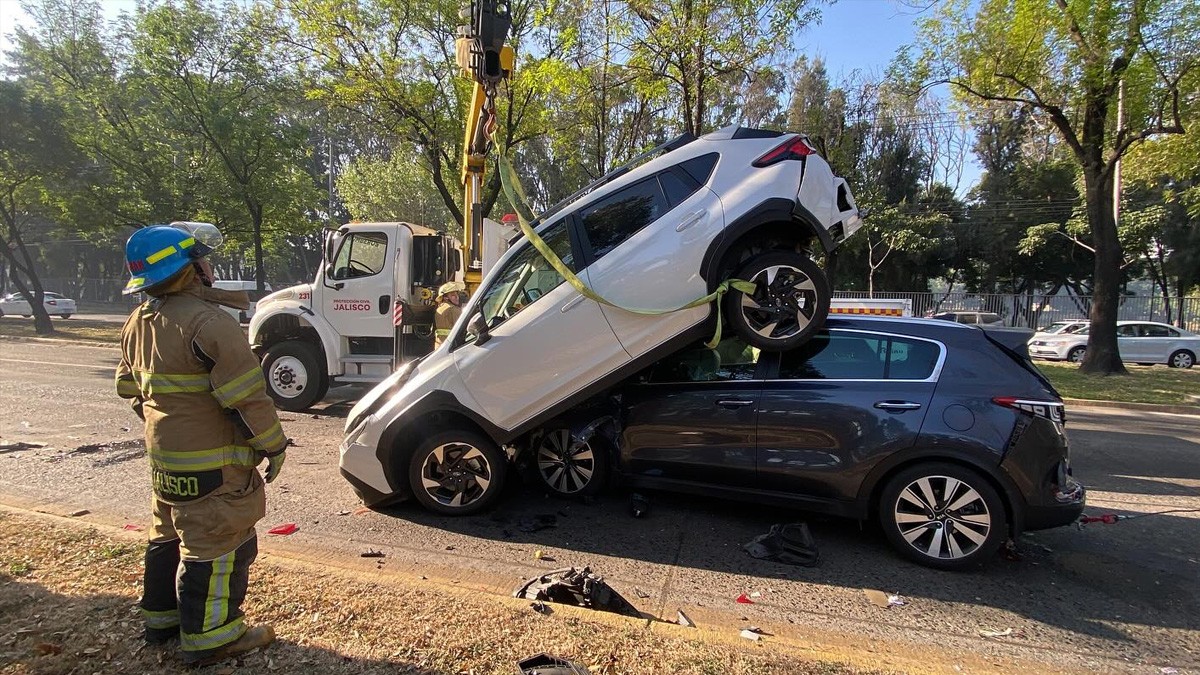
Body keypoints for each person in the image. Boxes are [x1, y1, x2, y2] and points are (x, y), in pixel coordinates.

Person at [114, 222, 286, 666]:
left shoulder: (138, 322)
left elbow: (129, 389)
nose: (209, 264)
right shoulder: (211, 324)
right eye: (202, 258)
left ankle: (161, 619)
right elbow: (248, 398)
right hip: (214, 469)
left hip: (164, 463)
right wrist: (274, 446)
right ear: (192, 269)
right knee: (220, 543)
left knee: (166, 534)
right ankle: (212, 636)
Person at [433, 281, 466, 348]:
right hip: (452, 346)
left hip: (440, 347)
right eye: (453, 295)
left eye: (457, 294)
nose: (457, 297)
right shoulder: (453, 309)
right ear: (445, 298)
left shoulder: (440, 308)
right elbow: (463, 328)